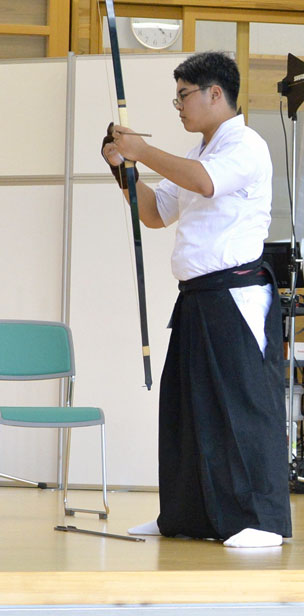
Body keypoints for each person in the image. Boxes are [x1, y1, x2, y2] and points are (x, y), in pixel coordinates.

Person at [102, 51, 290, 548]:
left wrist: (143, 150)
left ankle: (263, 521)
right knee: (187, 409)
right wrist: (124, 170)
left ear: (214, 93)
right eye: (176, 96)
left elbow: (205, 184)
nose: (178, 105)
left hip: (236, 295)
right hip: (197, 298)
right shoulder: (198, 151)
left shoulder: (246, 145)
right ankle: (186, 517)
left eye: (184, 95)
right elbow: (155, 214)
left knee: (243, 408)